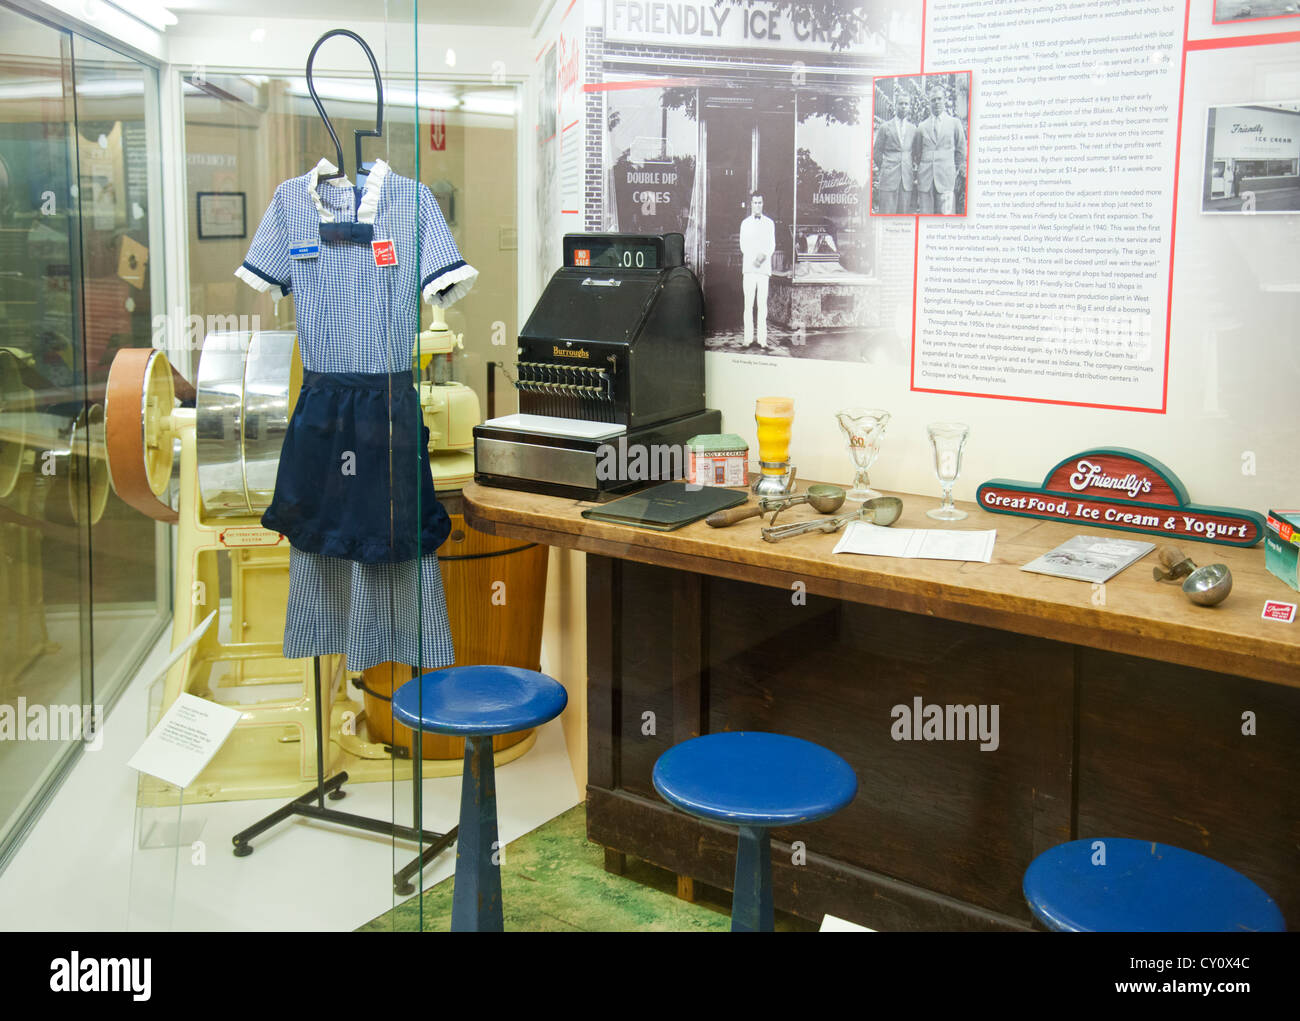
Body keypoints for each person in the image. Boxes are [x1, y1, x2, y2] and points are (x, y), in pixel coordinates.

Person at [914, 84, 967, 215]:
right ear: (929, 103)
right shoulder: (922, 126)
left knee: (946, 217)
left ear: (944, 100)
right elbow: (917, 153)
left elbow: (960, 151)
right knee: (926, 217)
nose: (936, 102)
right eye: (933, 100)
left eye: (939, 99)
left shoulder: (955, 123)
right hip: (926, 179)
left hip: (946, 178)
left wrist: (954, 170)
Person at [739, 192, 775, 349]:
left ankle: (762, 339)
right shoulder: (745, 223)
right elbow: (743, 245)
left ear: (763, 203)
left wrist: (763, 257)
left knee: (762, 305)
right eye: (755, 203)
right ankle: (747, 339)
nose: (758, 205)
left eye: (760, 202)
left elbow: (771, 244)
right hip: (749, 269)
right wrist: (754, 258)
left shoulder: (770, 223)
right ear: (751, 204)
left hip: (763, 269)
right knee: (748, 305)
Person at [872, 94, 917, 214]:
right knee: (886, 213)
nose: (903, 106)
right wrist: (886, 167)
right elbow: (876, 152)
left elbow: (916, 153)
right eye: (900, 103)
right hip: (888, 177)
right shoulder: (885, 127)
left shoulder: (913, 129)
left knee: (903, 215)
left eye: (906, 104)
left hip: (906, 179)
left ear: (909, 107)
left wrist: (909, 167)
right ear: (895, 106)